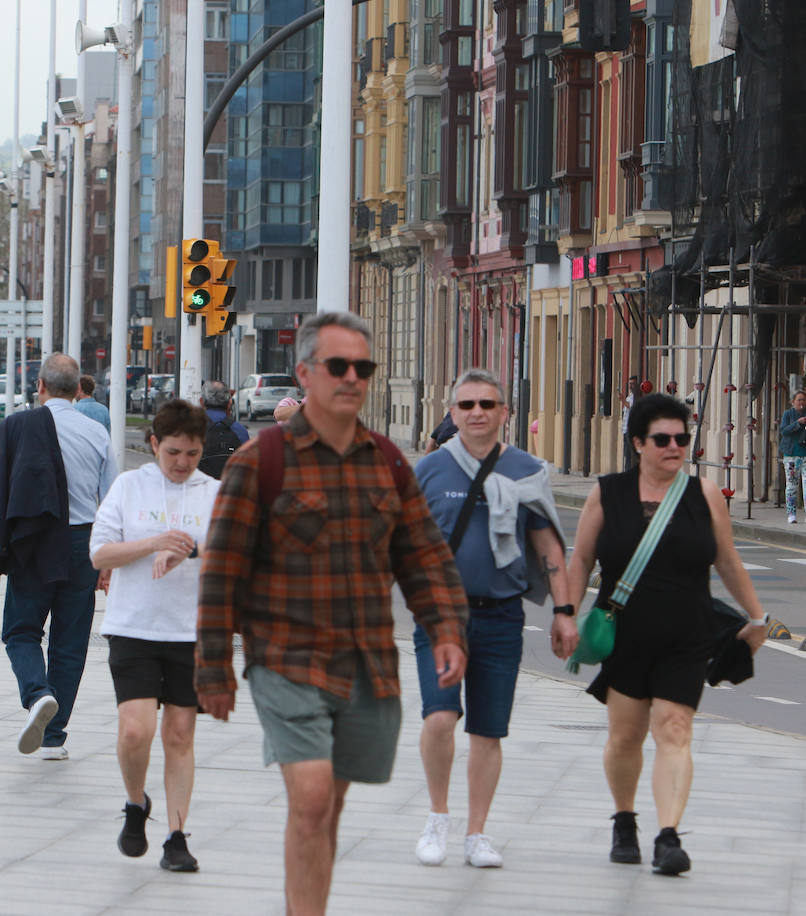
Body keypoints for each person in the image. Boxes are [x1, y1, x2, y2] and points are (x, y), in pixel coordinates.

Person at [196, 311, 469, 915]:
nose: (351, 378)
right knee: (313, 798)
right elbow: (221, 573)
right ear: (305, 374)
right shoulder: (259, 461)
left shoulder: (389, 463)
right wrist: (213, 668)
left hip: (366, 662)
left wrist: (446, 629)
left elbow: (423, 556)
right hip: (286, 659)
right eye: (337, 366)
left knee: (330, 806)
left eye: (362, 368)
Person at [565, 393, 768, 876]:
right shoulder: (608, 493)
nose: (674, 446)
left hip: (686, 634)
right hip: (626, 632)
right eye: (662, 439)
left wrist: (758, 618)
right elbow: (581, 559)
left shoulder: (704, 495)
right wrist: (565, 615)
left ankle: (669, 837)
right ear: (638, 443)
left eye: (682, 438)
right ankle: (624, 820)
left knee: (675, 728)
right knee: (626, 735)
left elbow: (728, 561)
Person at [411, 368, 576, 869]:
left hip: (501, 616)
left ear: (505, 412)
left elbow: (549, 547)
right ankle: (437, 817)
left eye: (487, 404)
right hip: (440, 618)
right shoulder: (430, 470)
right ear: (453, 413)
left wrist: (565, 613)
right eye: (467, 405)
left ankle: (476, 833)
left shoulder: (527, 470)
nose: (477, 412)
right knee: (440, 717)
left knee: (488, 730)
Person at [91, 399, 218, 873]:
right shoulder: (129, 486)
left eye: (191, 453)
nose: (182, 463)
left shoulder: (214, 493)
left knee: (180, 735)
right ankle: (134, 802)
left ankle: (177, 836)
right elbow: (99, 555)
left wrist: (191, 549)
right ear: (153, 446)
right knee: (134, 731)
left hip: (191, 632)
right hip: (134, 628)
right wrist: (155, 543)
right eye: (172, 453)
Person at [0, 353, 117, 760]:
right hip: (83, 544)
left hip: (35, 541)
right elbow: (112, 501)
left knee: (21, 630)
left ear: (40, 386)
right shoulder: (97, 433)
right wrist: (106, 561)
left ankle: (37, 693)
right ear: (79, 389)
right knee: (70, 642)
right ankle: (53, 736)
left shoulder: (18, 426)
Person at [197, 380, 248, 479]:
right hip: (230, 489)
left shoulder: (192, 429)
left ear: (201, 402)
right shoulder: (240, 431)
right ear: (229, 403)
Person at [778, 389, 806, 524]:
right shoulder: (788, 414)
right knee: (792, 486)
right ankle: (791, 513)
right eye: (799, 400)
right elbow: (784, 431)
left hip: (805, 455)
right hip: (791, 455)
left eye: (803, 400)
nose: (802, 402)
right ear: (793, 402)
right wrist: (798, 423)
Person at [621, 375, 641, 469]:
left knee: (631, 456)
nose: (631, 386)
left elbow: (631, 407)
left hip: (631, 431)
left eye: (633, 384)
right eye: (629, 384)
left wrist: (622, 400)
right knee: (627, 455)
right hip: (625, 430)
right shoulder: (630, 396)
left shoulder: (637, 397)